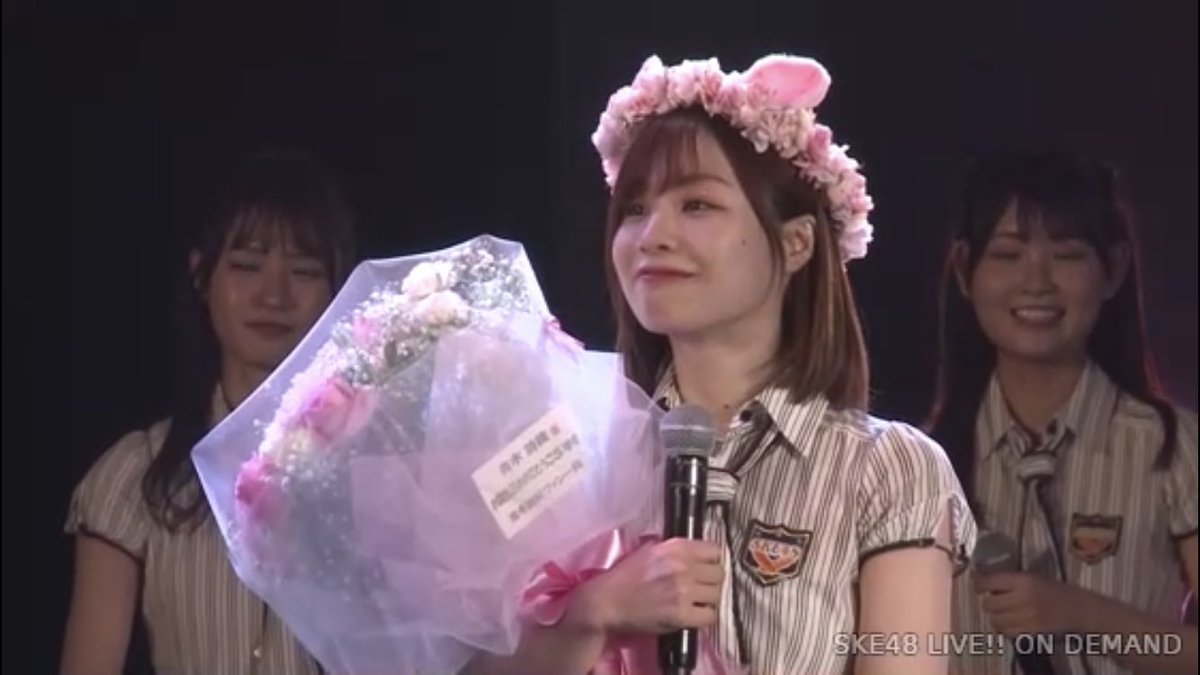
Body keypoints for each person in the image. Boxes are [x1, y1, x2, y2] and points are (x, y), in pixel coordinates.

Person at [467, 54, 976, 675]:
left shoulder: (886, 467)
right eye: (634, 209)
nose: (652, 235)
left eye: (697, 205)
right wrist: (594, 613)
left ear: (795, 243)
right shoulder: (568, 451)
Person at [60, 149, 357, 675]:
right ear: (201, 276)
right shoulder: (137, 473)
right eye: (247, 266)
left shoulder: (380, 468)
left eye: (304, 271)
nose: (275, 295)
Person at [926, 150, 1198, 675]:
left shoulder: (1173, 448)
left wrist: (1082, 614)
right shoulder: (921, 463)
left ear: (1114, 270)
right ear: (964, 269)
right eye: (1008, 255)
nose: (1037, 282)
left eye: (1068, 255)